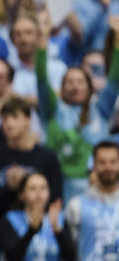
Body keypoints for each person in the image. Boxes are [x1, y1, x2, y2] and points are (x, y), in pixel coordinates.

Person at [38, 15, 119, 202]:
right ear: (62, 87)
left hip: (96, 191)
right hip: (56, 190)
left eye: (80, 81)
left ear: (89, 87)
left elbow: (114, 80)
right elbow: (42, 79)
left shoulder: (101, 110)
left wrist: (117, 40)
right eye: (69, 82)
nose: (75, 86)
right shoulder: (52, 110)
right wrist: (42, 39)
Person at [0, 95, 63, 219]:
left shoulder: (47, 157)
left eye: (14, 117)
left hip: (39, 224)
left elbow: (55, 199)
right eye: (4, 119)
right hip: (2, 225)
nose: (9, 124)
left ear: (28, 119)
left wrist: (26, 184)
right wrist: (9, 187)